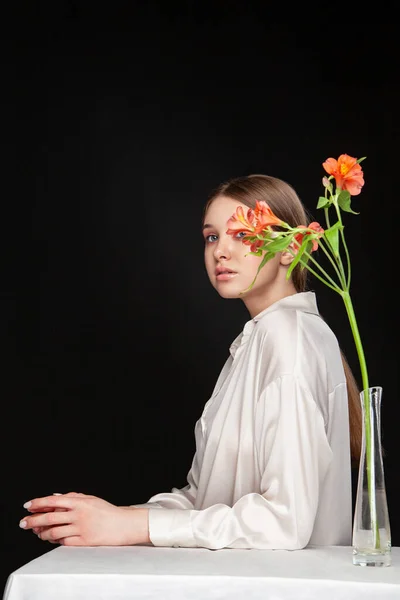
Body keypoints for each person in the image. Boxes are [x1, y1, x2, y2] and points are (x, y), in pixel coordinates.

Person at [19, 173, 362, 549]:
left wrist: (131, 525)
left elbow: (283, 522)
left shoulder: (287, 339)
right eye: (212, 236)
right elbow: (205, 501)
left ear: (288, 248)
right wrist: (111, 518)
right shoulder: (262, 339)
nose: (220, 251)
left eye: (243, 234)